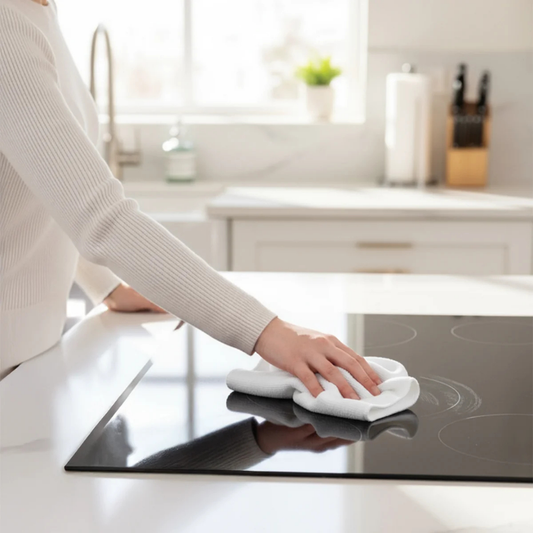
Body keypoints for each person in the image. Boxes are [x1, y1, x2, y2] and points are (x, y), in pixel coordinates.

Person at [0, 0, 382, 399]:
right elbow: (104, 220)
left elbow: (48, 186)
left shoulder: (38, 11)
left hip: (29, 358)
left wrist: (107, 286)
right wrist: (268, 331)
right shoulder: (6, 25)